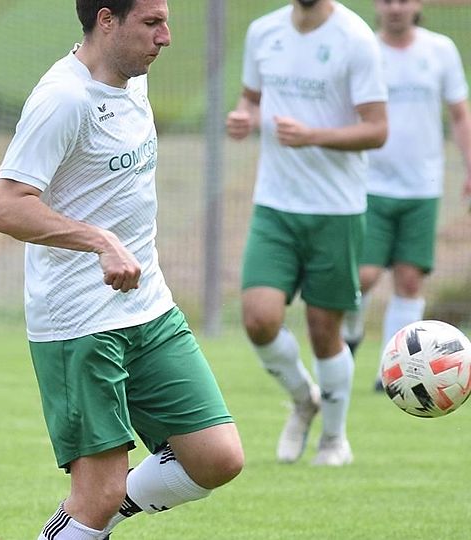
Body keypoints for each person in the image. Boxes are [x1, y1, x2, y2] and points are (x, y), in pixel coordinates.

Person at [0, 1, 244, 538]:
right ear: (107, 20)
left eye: (165, 20)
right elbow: (6, 209)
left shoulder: (131, 79)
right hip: (81, 323)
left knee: (216, 457)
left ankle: (75, 525)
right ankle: (83, 519)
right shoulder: (63, 98)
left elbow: (78, 165)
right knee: (98, 493)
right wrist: (100, 241)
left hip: (150, 308)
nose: (165, 36)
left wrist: (42, 171)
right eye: (151, 23)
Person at [226, 0, 388, 466]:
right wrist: (243, 117)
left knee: (324, 331)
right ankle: (303, 398)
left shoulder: (355, 38)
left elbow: (377, 130)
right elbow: (250, 101)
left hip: (336, 209)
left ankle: (334, 440)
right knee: (258, 319)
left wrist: (312, 135)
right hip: (274, 205)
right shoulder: (263, 32)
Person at [340, 0, 471, 391]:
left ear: (418, 5)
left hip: (421, 187)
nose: (396, 7)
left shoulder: (440, 50)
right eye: (387, 1)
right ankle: (351, 334)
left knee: (410, 279)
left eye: (404, 0)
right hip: (369, 186)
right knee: (361, 276)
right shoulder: (364, 48)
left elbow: (459, 113)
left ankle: (390, 370)